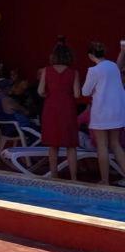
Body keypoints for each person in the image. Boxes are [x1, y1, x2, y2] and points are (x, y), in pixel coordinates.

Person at [81, 41, 125, 186]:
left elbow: (85, 91)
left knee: (102, 145)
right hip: (117, 111)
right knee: (116, 144)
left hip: (102, 111)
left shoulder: (94, 70)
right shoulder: (113, 66)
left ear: (90, 55)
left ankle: (105, 180)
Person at [38, 43, 80, 180]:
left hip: (51, 107)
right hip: (67, 108)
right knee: (71, 145)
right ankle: (74, 178)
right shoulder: (74, 73)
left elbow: (40, 91)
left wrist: (49, 94)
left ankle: (54, 176)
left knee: (53, 144)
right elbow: (77, 94)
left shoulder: (46, 70)